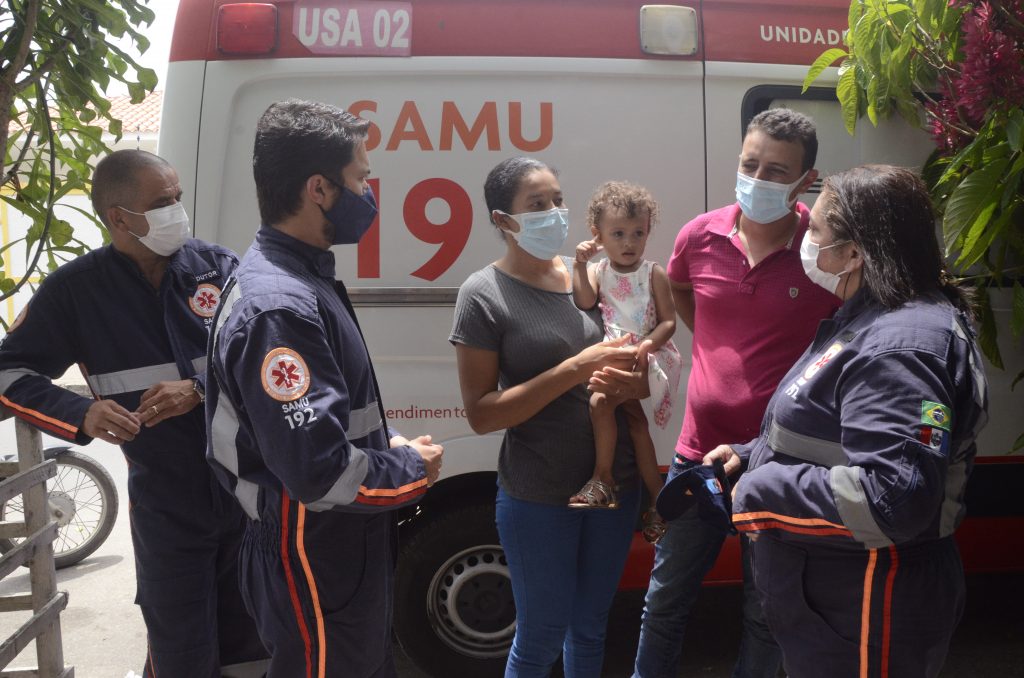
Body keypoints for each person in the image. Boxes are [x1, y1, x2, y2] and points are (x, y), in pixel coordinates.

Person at [704, 164, 989, 678]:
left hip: (865, 608)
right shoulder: (873, 316)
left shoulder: (899, 346)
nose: (804, 240)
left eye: (815, 229)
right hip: (838, 606)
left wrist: (761, 488)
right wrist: (750, 456)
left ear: (855, 252)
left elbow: (893, 496)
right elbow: (835, 427)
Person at [0, 150, 268, 677]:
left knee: (255, 651)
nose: (178, 211)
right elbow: (7, 371)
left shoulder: (218, 268)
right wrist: (80, 413)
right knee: (181, 655)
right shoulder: (77, 291)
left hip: (247, 500)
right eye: (163, 202)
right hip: (167, 509)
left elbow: (270, 358)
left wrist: (200, 388)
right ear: (118, 218)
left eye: (178, 197)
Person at [204, 99, 443, 678]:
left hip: (333, 546)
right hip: (311, 552)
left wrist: (385, 442)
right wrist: (412, 467)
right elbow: (320, 473)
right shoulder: (279, 307)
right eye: (361, 179)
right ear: (319, 188)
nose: (369, 194)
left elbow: (331, 421)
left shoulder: (301, 278)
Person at [634, 108, 842, 678]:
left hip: (779, 463)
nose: (757, 179)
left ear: (806, 180)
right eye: (750, 165)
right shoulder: (698, 235)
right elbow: (680, 288)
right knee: (664, 602)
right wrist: (717, 346)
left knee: (765, 613)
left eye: (776, 171)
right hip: (697, 456)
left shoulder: (822, 251)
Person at [450, 157, 650, 677]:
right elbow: (481, 415)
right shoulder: (483, 294)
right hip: (538, 493)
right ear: (503, 220)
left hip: (612, 487)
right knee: (540, 636)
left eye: (558, 200)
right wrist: (575, 368)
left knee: (590, 628)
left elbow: (634, 345)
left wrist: (637, 380)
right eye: (537, 204)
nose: (555, 212)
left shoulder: (589, 276)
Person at [568, 181, 681, 545]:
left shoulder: (653, 273)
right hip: (617, 352)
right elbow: (585, 300)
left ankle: (603, 479)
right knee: (635, 424)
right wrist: (580, 264)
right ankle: (658, 499)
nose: (629, 243)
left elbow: (669, 322)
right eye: (618, 234)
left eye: (638, 233)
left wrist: (647, 345)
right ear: (597, 234)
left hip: (645, 356)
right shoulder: (599, 270)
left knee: (600, 402)